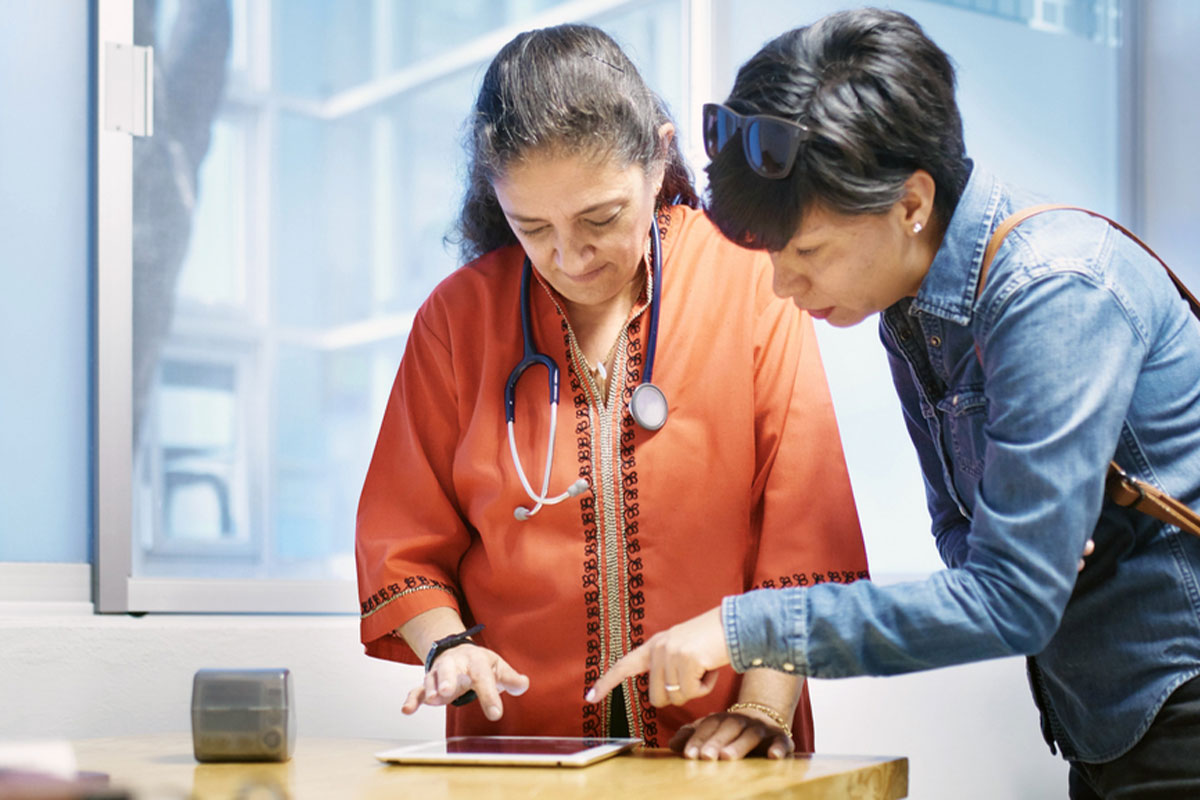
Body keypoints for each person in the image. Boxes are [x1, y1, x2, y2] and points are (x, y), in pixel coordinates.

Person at [587, 8, 1200, 795]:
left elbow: (1011, 601)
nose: (783, 284)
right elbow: (959, 535)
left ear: (911, 203)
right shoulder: (914, 311)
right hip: (1106, 720)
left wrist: (744, 630)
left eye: (807, 251)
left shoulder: (1056, 294)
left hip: (1179, 706)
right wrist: (1014, 556)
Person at [355, 23, 869, 760]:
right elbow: (401, 540)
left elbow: (801, 531)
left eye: (601, 218)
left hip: (721, 749)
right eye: (532, 227)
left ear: (658, 159)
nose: (569, 255)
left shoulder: (751, 279)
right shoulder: (456, 319)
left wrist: (761, 707)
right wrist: (448, 650)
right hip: (523, 755)